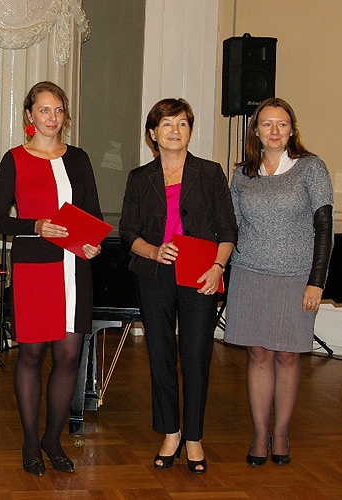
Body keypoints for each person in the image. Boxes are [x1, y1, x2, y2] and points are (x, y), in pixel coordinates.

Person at [0, 81, 103, 476]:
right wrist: (35, 225)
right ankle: (29, 441)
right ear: (29, 116)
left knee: (69, 355)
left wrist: (92, 243)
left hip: (74, 267)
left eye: (58, 110)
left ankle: (53, 440)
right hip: (33, 268)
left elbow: (93, 215)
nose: (52, 117)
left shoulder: (80, 158)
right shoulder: (14, 159)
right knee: (32, 355)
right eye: (43, 110)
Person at [119, 98, 237, 474]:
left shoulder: (210, 173)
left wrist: (218, 267)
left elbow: (228, 229)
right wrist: (153, 251)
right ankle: (171, 431)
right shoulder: (140, 177)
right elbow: (128, 233)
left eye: (182, 123)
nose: (175, 130)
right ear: (153, 134)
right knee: (160, 354)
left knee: (196, 356)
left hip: (201, 273)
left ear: (189, 131)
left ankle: (194, 436)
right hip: (154, 274)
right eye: (166, 124)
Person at [224, 97, 333, 467]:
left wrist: (317, 281)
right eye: (267, 124)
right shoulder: (242, 174)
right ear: (255, 130)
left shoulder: (311, 168)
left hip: (295, 275)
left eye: (282, 124)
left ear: (292, 130)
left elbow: (324, 227)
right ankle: (259, 434)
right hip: (249, 273)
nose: (274, 131)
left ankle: (281, 433)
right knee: (258, 353)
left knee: (287, 354)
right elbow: (232, 227)